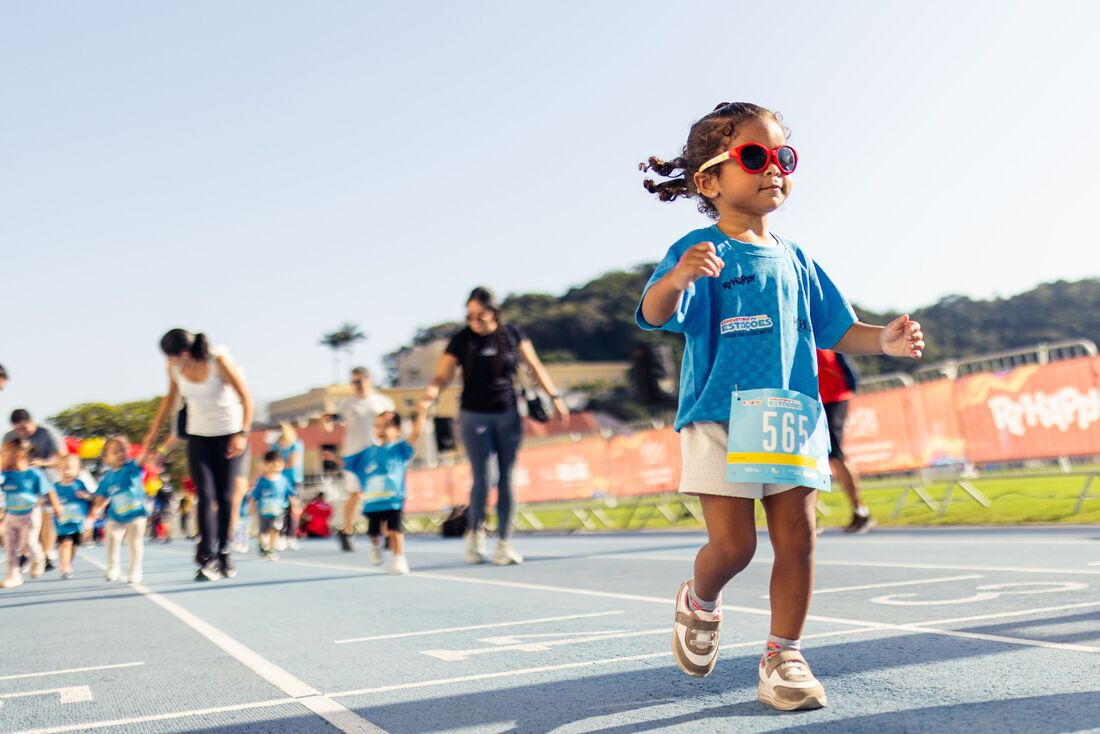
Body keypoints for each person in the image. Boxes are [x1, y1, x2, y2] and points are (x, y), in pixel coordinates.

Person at [637, 102, 925, 710]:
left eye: (783, 157)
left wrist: (886, 340)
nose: (774, 168)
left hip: (790, 416)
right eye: (754, 155)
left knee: (799, 538)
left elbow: (839, 328)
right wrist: (678, 280)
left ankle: (783, 654)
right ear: (709, 180)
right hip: (718, 415)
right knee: (736, 547)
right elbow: (657, 312)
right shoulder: (698, 249)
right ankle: (701, 599)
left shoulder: (797, 258)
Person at [419, 287, 568, 566]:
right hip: (473, 415)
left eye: (480, 315)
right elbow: (442, 375)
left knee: (507, 478)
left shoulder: (512, 334)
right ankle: (474, 535)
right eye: (469, 316)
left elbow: (534, 365)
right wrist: (430, 396)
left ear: (494, 312)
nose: (474, 321)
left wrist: (555, 397)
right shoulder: (461, 340)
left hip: (507, 413)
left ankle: (504, 542)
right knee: (483, 477)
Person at [143, 330, 253, 581]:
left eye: (169, 357)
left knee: (225, 498)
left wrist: (242, 433)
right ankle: (207, 557)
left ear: (183, 353)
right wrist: (152, 436)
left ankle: (224, 552)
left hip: (229, 435)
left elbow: (247, 399)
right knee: (204, 497)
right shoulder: (175, 370)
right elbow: (168, 400)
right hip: (198, 436)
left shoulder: (217, 362)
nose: (167, 362)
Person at [343, 409, 426, 574]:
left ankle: (399, 558)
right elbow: (349, 463)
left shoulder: (400, 450)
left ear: (397, 430)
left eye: (386, 426)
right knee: (374, 533)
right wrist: (333, 457)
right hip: (374, 503)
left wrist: (422, 412)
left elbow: (416, 434)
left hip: (394, 500)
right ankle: (376, 545)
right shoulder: (368, 453)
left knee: (395, 530)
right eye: (377, 426)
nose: (380, 430)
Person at [335, 367, 395, 552]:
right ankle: (346, 531)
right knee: (356, 495)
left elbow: (393, 427)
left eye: (361, 380)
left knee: (382, 493)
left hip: (378, 454)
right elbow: (332, 426)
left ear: (369, 380)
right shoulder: (346, 404)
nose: (358, 385)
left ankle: (386, 533)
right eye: (354, 382)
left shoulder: (383, 402)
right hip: (354, 455)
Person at [816, 349, 874, 534]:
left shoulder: (817, 329)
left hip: (834, 395)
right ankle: (807, 513)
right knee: (817, 458)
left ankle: (861, 512)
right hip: (814, 399)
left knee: (834, 455)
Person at [5, 409, 65, 571]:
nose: (21, 432)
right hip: (21, 483)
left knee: (46, 516)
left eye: (24, 428)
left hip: (46, 477)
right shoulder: (9, 437)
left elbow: (61, 456)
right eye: (18, 429)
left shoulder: (46, 433)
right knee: (23, 517)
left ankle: (47, 553)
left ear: (31, 421)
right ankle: (25, 552)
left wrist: (43, 463)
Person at [1, 439, 61, 588]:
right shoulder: (5, 474)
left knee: (29, 542)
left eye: (5, 453)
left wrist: (57, 507)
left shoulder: (33, 474)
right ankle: (13, 575)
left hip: (30, 514)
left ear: (19, 455)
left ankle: (39, 558)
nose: (2, 455)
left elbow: (49, 490)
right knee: (10, 547)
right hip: (11, 516)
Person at [92, 437, 150, 584]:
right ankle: (113, 566)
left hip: (136, 513)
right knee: (111, 535)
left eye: (123, 450)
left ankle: (135, 570)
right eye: (116, 452)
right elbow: (102, 497)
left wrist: (149, 442)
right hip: (116, 515)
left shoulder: (133, 467)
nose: (121, 454)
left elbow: (144, 455)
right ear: (106, 458)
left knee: (134, 542)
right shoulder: (107, 477)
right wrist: (94, 511)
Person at [53, 454, 94, 579]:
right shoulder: (56, 487)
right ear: (58, 470)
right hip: (63, 522)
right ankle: (64, 566)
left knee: (74, 545)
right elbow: (50, 500)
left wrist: (85, 496)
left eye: (71, 468)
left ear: (77, 470)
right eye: (64, 468)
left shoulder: (79, 484)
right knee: (65, 543)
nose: (68, 471)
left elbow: (91, 498)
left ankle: (68, 563)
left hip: (77, 522)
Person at [249, 450, 294, 560]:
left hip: (278, 511)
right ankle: (261, 545)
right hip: (264, 512)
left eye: (279, 464)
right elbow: (255, 495)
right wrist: (251, 507)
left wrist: (295, 505)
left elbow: (291, 494)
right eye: (272, 464)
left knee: (275, 529)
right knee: (263, 532)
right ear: (266, 464)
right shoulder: (262, 481)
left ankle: (271, 550)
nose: (275, 466)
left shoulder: (283, 480)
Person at [270, 422, 303, 551]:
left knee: (293, 510)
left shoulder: (296, 444)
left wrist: (280, 462)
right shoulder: (275, 446)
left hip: (294, 481)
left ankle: (291, 536)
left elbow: (292, 463)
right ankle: (281, 536)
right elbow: (271, 462)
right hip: (279, 481)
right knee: (280, 510)